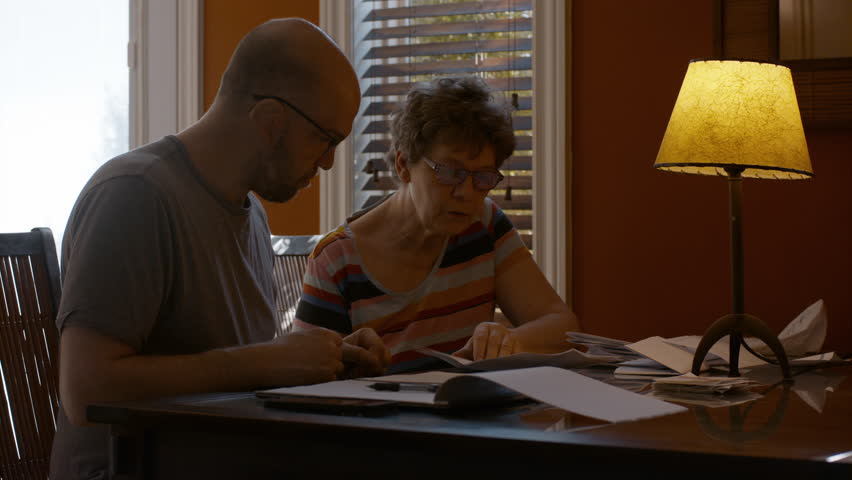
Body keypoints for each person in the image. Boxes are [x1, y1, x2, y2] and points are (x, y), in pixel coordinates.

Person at [50, 19, 389, 479]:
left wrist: (321, 361)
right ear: (272, 120)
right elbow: (86, 390)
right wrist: (263, 363)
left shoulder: (252, 213)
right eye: (327, 140)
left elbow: (231, 367)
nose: (328, 162)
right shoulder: (135, 195)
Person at [295, 76, 579, 371]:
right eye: (450, 173)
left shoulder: (484, 225)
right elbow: (305, 380)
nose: (466, 193)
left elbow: (562, 326)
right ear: (403, 165)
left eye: (483, 177)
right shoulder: (336, 260)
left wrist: (508, 340)